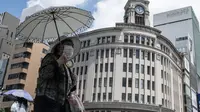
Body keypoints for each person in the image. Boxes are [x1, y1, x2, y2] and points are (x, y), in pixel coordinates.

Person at [34, 36, 81, 112]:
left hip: (60, 103)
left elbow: (70, 86)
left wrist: (72, 77)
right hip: (47, 100)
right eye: (67, 45)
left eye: (71, 46)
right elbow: (44, 74)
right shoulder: (50, 57)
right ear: (59, 47)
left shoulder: (66, 65)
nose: (70, 48)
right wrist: (58, 63)